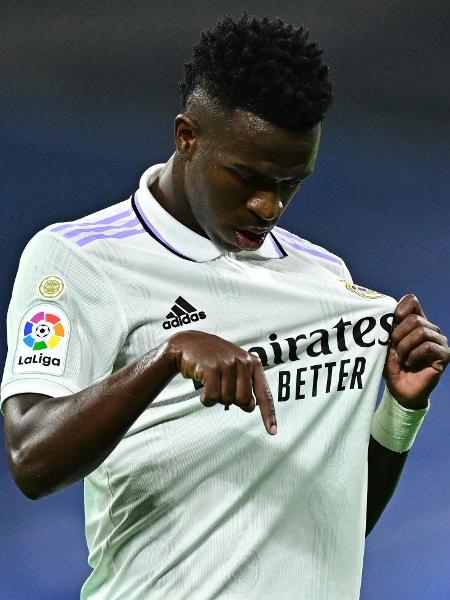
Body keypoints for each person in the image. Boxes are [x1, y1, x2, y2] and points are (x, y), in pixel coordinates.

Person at [1, 13, 449, 600]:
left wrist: (399, 411)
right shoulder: (82, 260)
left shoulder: (326, 284)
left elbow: (332, 523)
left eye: (292, 183)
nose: (269, 206)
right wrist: (164, 359)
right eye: (248, 177)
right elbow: (31, 458)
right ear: (187, 136)